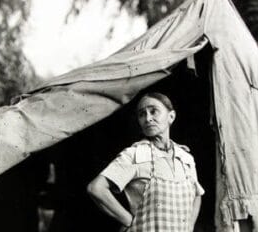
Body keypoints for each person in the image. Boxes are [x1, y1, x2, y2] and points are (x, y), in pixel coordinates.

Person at [87, 92, 204, 232]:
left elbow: (197, 194)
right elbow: (96, 188)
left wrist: (189, 226)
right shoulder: (135, 155)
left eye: (153, 111)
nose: (148, 118)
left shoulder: (185, 158)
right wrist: (129, 221)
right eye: (142, 114)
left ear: (171, 116)